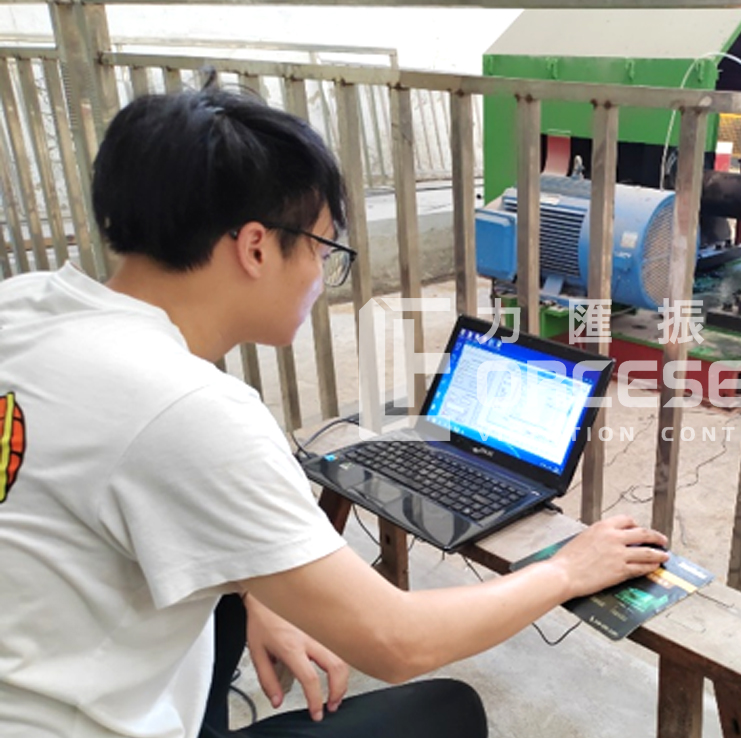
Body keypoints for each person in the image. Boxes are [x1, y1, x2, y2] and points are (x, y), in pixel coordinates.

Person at [0, 88, 669, 738]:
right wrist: (565, 570)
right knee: (446, 710)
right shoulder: (191, 410)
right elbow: (398, 642)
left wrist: (257, 587)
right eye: (324, 250)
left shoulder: (24, 305)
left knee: (235, 602)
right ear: (256, 248)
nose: (322, 275)